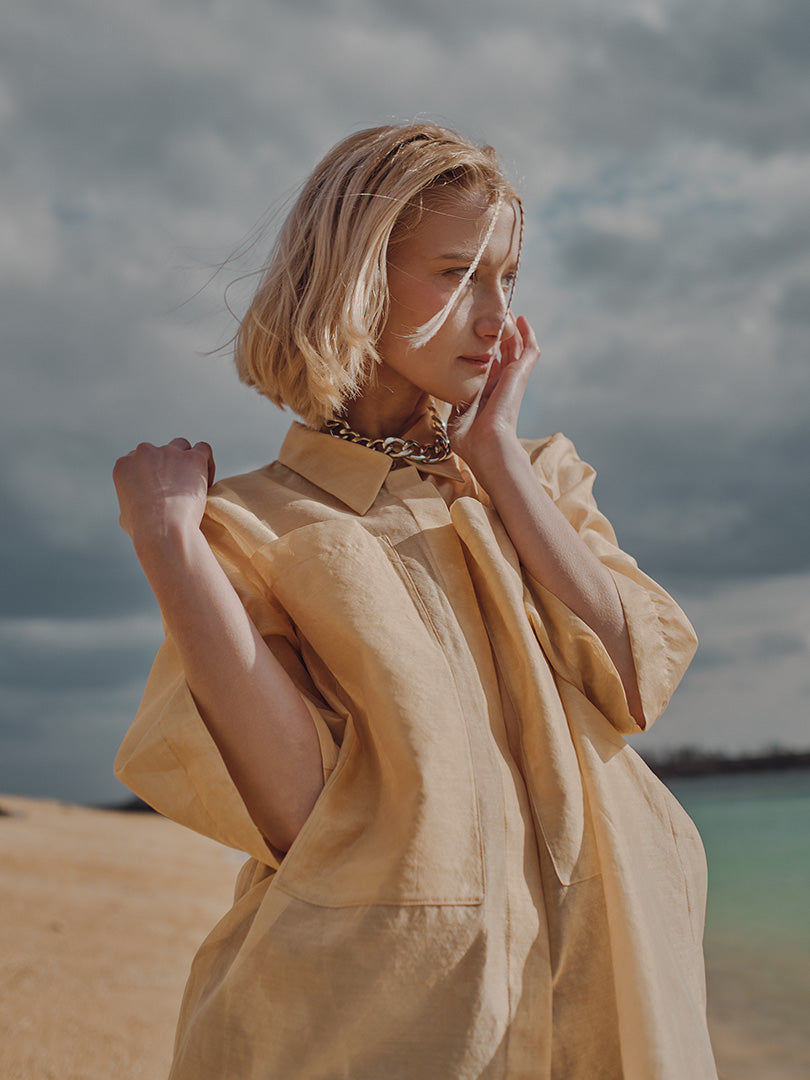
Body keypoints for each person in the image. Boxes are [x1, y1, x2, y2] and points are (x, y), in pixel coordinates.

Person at [113, 122, 718, 1080]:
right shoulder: (255, 525)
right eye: (455, 273)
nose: (496, 317)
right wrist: (171, 549)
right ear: (357, 277)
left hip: (619, 996)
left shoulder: (541, 480)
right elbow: (296, 811)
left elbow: (640, 680)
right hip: (386, 1021)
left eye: (507, 278)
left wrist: (500, 462)